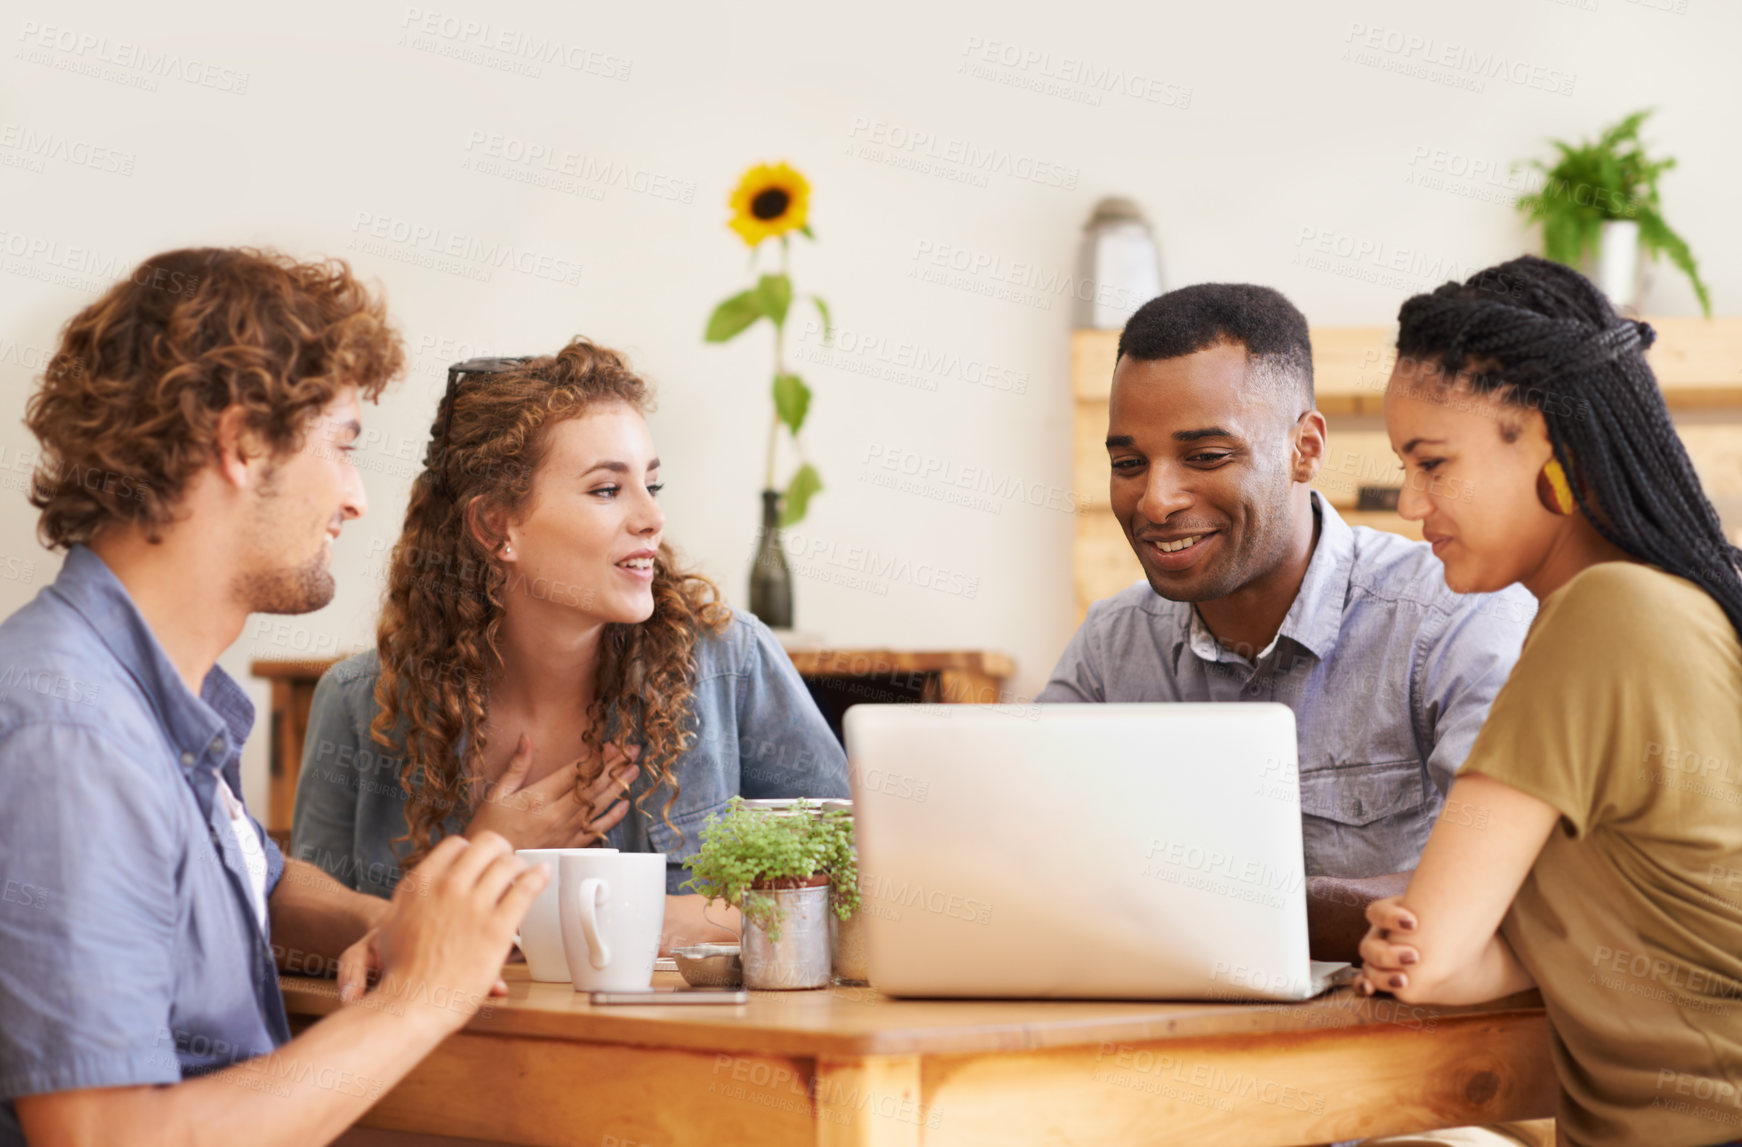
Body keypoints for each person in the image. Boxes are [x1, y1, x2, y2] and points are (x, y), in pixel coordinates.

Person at [0, 248, 547, 1146]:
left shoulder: (143, 695)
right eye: (343, 445)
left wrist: (396, 922)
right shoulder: (72, 738)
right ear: (243, 442)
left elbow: (252, 870)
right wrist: (419, 1001)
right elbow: (104, 1136)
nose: (357, 498)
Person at [1356, 256, 1742, 1147]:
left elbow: (1436, 950)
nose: (1411, 502)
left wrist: (1422, 948)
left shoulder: (1608, 615)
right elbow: (1515, 954)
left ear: (1545, 442)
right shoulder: (1668, 605)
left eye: (1432, 462)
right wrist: (1420, 951)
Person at [291, 338, 849, 948]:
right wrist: (487, 851)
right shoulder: (358, 704)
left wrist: (682, 919)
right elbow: (311, 950)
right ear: (495, 525)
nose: (651, 518)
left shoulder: (729, 664)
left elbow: (859, 887)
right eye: (607, 490)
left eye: (651, 487)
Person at [1038, 283, 1537, 961]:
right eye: (1128, 464)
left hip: (1402, 1050)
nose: (1155, 500)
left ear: (1304, 449)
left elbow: (1515, 890)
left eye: (1206, 456)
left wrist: (1216, 904)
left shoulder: (1450, 619)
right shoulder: (1113, 645)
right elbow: (1024, 849)